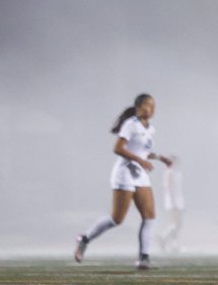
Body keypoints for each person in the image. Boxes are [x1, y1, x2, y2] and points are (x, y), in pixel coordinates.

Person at [73, 94, 173, 269]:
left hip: (140, 175)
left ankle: (143, 258)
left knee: (149, 216)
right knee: (117, 219)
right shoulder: (130, 125)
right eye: (147, 105)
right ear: (138, 107)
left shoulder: (150, 129)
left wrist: (159, 157)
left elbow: (142, 151)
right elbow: (118, 148)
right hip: (124, 173)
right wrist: (140, 161)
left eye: (153, 106)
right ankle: (84, 238)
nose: (151, 109)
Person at [158, 155, 185, 253]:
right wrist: (173, 202)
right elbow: (170, 188)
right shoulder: (169, 173)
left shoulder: (176, 173)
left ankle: (174, 245)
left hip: (178, 200)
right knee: (175, 224)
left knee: (178, 225)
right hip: (173, 201)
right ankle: (163, 238)